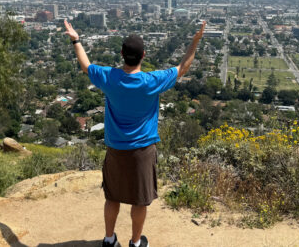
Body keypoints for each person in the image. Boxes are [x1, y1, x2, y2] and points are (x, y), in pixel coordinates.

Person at [64, 19, 206, 247]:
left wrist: (76, 40)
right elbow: (183, 68)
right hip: (142, 150)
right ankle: (136, 242)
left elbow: (85, 65)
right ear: (143, 55)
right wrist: (195, 41)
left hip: (115, 149)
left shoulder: (109, 78)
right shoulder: (151, 81)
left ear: (121, 54)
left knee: (112, 196)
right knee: (139, 200)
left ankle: (109, 239)